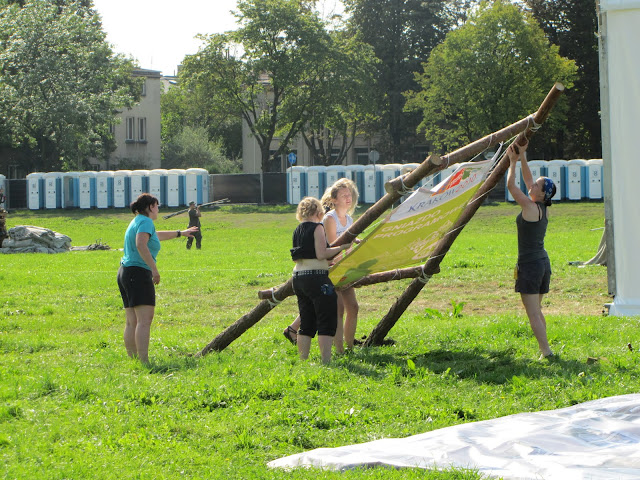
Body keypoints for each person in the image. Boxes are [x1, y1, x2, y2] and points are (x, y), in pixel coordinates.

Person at [117, 193, 198, 364]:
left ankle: (134, 360)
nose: (158, 209)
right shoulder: (146, 222)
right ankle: (144, 362)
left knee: (132, 322)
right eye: (157, 206)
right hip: (138, 273)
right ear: (150, 207)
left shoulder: (138, 221)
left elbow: (154, 236)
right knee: (144, 320)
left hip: (125, 272)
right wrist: (154, 269)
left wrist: (180, 233)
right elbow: (141, 243)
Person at [283, 178, 361, 353]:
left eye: (349, 195)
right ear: (334, 200)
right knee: (333, 309)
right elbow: (329, 248)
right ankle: (338, 350)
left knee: (352, 307)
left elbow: (347, 238)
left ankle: (349, 346)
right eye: (344, 195)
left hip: (343, 267)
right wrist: (344, 248)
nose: (348, 198)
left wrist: (356, 243)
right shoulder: (327, 220)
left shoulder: (348, 218)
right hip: (330, 269)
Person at [506, 139, 557, 360]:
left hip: (530, 266)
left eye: (536, 185)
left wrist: (512, 162)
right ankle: (547, 350)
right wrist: (523, 155)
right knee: (537, 310)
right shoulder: (542, 207)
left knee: (533, 313)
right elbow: (528, 181)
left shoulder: (529, 206)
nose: (532, 185)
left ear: (542, 194)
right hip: (542, 264)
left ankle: (546, 352)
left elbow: (512, 187)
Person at [290, 196, 351, 364]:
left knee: (307, 320)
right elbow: (321, 253)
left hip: (298, 278)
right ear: (318, 212)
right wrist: (342, 247)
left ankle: (303, 360)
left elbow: (299, 257)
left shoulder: (297, 230)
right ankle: (325, 360)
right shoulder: (317, 227)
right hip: (317, 278)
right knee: (326, 318)